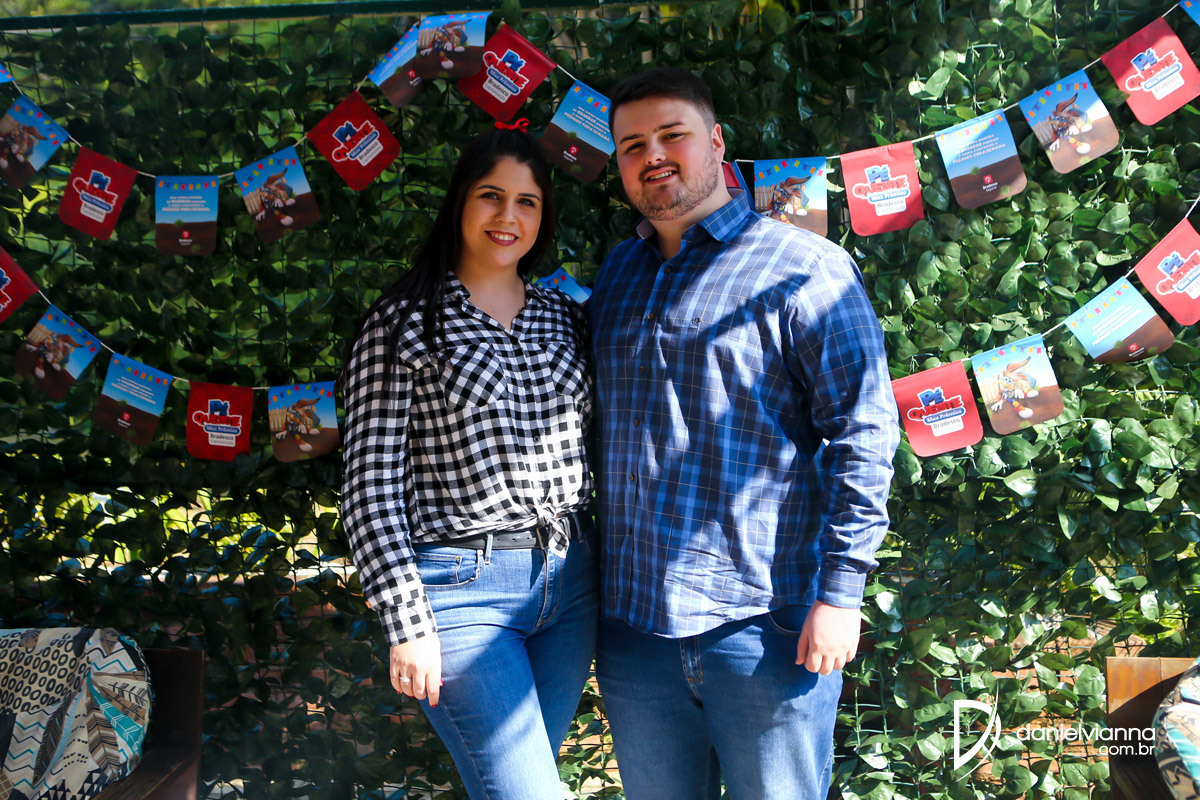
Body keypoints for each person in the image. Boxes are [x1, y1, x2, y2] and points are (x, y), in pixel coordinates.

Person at [588, 67, 900, 799]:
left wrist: (841, 594)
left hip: (764, 628)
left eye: (673, 135)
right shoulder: (618, 273)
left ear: (717, 142)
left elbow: (864, 434)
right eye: (632, 145)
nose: (653, 156)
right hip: (634, 634)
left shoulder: (805, 268)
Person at [340, 128, 598, 800]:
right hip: (462, 591)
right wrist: (407, 623)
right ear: (460, 201)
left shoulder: (565, 317)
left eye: (527, 202)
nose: (508, 216)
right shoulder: (402, 323)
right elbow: (369, 488)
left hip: (570, 587)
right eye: (491, 196)